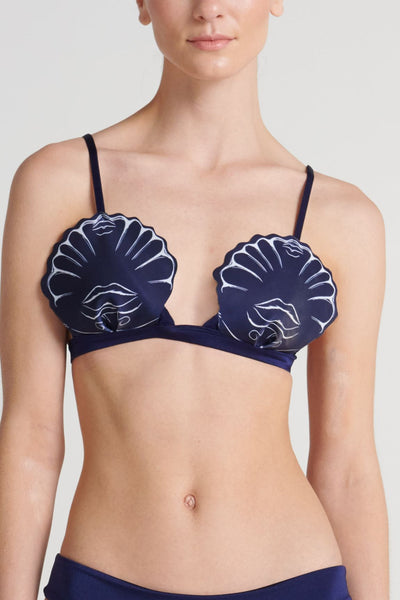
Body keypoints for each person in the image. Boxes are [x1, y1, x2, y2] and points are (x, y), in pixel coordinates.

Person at [0, 1, 389, 599]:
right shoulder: (58, 182)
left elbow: (348, 466)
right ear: (142, 3)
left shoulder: (343, 217)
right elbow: (29, 435)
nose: (209, 9)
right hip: (105, 578)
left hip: (293, 581)